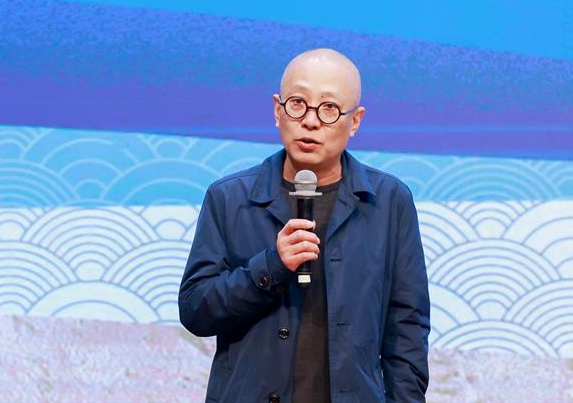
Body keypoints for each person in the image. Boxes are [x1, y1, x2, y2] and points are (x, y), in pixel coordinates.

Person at [178, 48, 430, 403]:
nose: (310, 121)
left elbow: (407, 331)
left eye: (329, 108)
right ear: (277, 110)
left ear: (355, 121)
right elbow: (195, 311)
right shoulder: (230, 198)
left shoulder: (388, 203)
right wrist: (270, 267)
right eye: (298, 103)